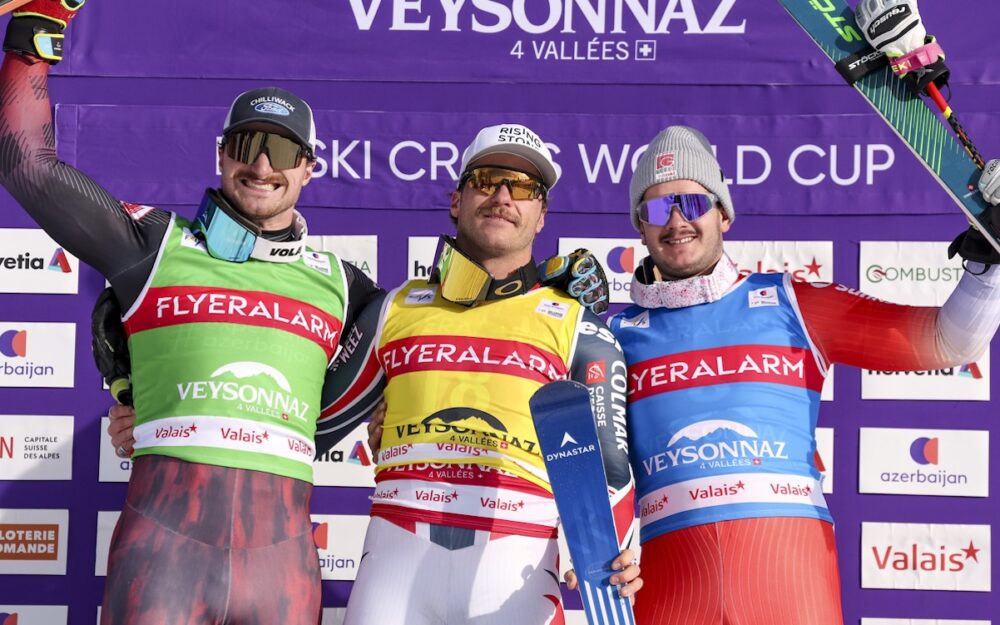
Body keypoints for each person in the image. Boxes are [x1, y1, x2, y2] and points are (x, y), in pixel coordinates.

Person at [0, 3, 384, 624]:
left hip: (282, 566)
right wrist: (31, 42)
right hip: (163, 555)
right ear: (220, 155)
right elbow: (27, 165)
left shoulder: (346, 286)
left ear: (310, 169)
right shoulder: (154, 244)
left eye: (282, 150)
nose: (261, 166)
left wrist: (554, 298)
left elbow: (449, 334)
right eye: (246, 145)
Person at [609, 125, 1000, 625]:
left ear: (723, 213)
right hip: (673, 590)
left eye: (691, 203)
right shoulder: (615, 335)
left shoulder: (794, 303)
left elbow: (950, 341)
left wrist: (988, 264)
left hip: (789, 583)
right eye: (658, 209)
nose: (677, 221)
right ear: (640, 227)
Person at [308, 123, 640, 625]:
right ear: (456, 200)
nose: (503, 196)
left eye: (524, 187)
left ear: (541, 214)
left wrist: (609, 558)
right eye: (486, 180)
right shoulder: (395, 306)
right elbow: (305, 426)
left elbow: (612, 470)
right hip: (395, 562)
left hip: (517, 569)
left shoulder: (578, 324)